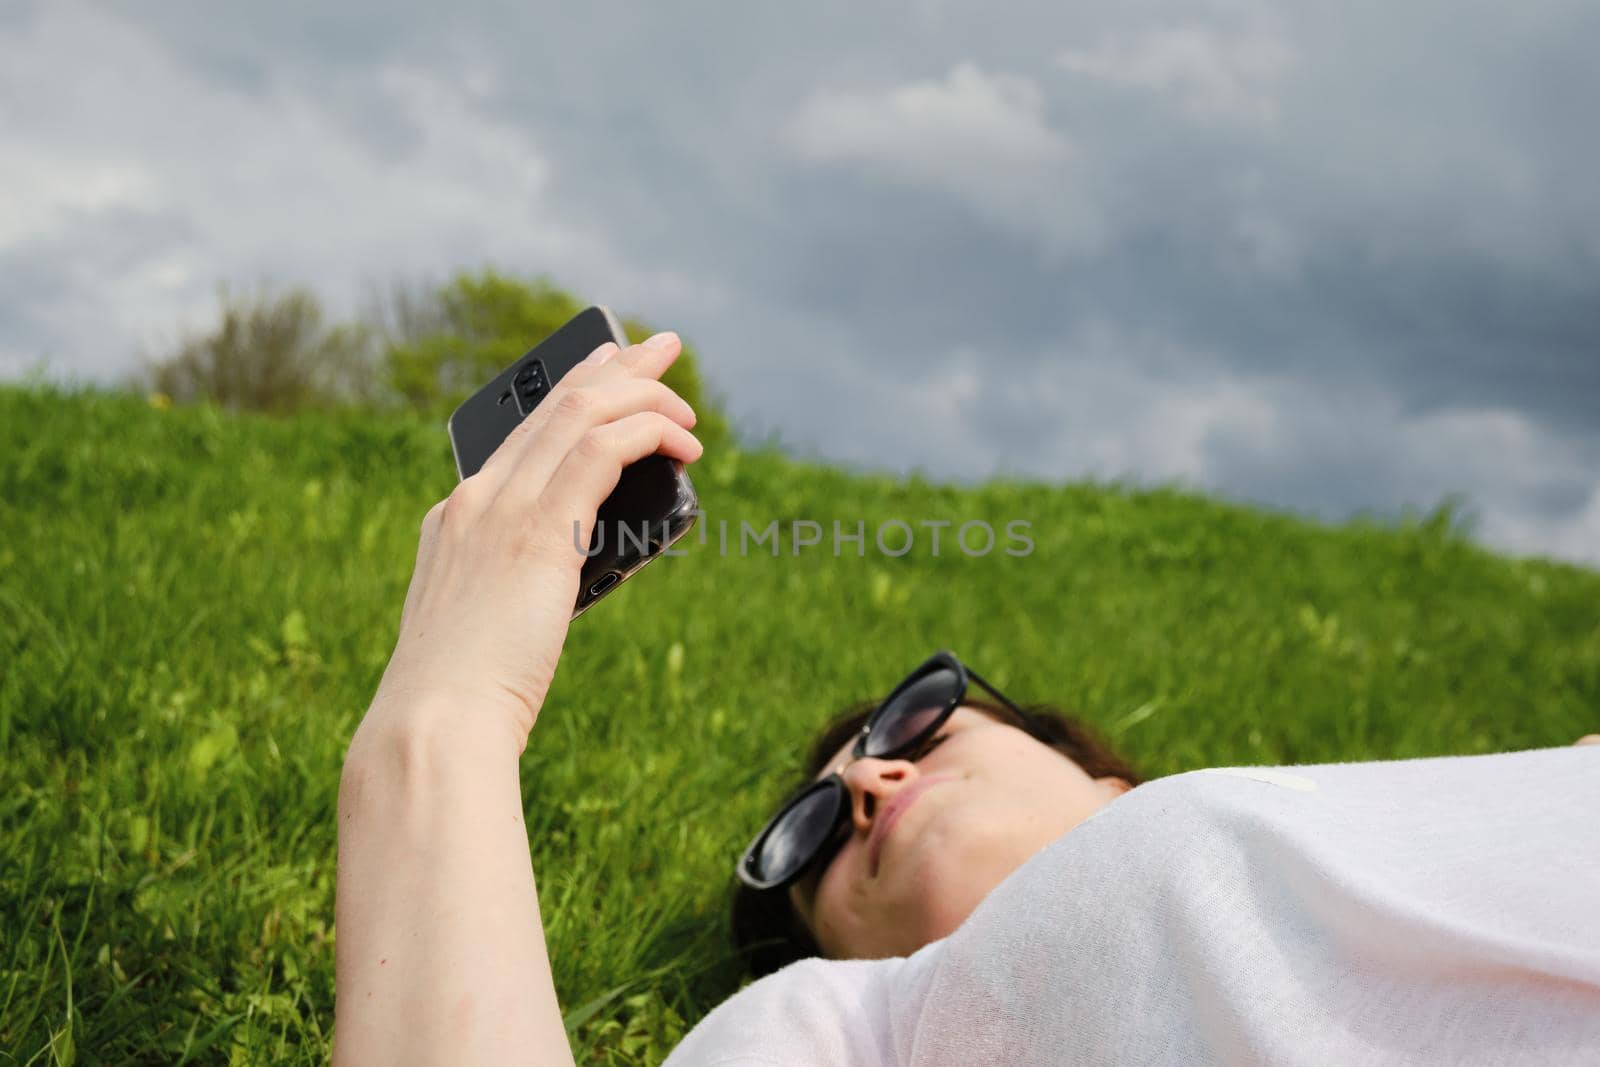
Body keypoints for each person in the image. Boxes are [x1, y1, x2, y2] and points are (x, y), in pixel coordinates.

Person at [332, 332, 1600, 1065]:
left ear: (1111, 778)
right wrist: (443, 712)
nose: (869, 778)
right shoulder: (851, 1029)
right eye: (809, 837)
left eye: (906, 723)